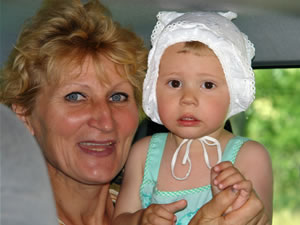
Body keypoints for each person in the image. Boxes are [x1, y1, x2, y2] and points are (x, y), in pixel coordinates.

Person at [0, 0, 270, 224]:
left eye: (118, 97)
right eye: (76, 96)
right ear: (24, 116)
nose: (105, 121)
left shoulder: (136, 201)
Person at [113, 11, 273, 225]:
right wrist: (141, 219)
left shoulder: (250, 157)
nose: (188, 99)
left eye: (207, 85)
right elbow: (119, 219)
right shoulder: (143, 154)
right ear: (153, 88)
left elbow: (261, 218)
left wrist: (235, 204)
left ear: (234, 91)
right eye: (175, 83)